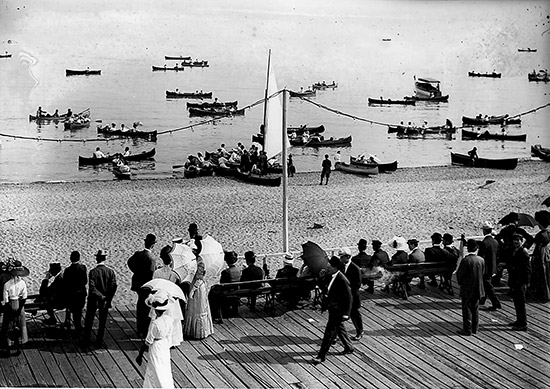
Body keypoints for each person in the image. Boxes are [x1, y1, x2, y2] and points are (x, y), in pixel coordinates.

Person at [312, 256, 354, 364]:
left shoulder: (342, 280)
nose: (327, 268)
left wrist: (346, 314)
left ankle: (321, 356)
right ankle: (349, 347)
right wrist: (321, 278)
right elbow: (324, 288)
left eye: (329, 267)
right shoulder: (330, 276)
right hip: (332, 308)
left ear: (335, 267)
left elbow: (349, 298)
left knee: (329, 333)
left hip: (338, 310)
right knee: (339, 328)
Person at [136, 290, 175, 389]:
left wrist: (140, 355)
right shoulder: (169, 320)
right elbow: (169, 335)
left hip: (156, 346)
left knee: (155, 368)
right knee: (165, 368)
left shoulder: (155, 323)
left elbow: (148, 341)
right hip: (164, 345)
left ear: (155, 310)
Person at [82, 250, 117, 348]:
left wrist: (101, 296)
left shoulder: (93, 272)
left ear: (96, 259)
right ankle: (99, 341)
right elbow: (113, 286)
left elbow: (92, 288)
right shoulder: (110, 272)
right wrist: (107, 298)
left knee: (89, 319)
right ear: (105, 258)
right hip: (105, 300)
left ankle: (86, 340)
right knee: (102, 322)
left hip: (94, 299)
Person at [183, 236, 214, 339]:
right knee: (194, 308)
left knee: (198, 309)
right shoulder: (197, 260)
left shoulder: (200, 262)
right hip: (196, 284)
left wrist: (192, 289)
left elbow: (199, 278)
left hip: (197, 286)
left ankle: (199, 332)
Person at [127, 233, 157, 338]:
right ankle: (144, 329)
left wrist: (136, 272)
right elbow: (152, 273)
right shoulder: (151, 258)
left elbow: (129, 262)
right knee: (147, 307)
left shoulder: (138, 254)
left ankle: (139, 328)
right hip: (147, 285)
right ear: (153, 245)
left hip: (138, 284)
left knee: (140, 305)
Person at [456, 239, 485, 336]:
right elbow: (483, 273)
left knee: (467, 308)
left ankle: (467, 329)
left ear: (468, 248)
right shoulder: (481, 260)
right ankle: (474, 328)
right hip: (478, 287)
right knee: (475, 308)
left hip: (467, 288)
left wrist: (461, 283)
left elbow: (460, 274)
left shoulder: (466, 260)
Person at [1, 259, 29, 356]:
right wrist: (19, 309)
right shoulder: (22, 283)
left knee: (9, 326)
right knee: (20, 326)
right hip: (19, 304)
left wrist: (10, 310)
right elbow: (24, 297)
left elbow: (6, 300)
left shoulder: (7, 284)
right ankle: (19, 348)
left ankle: (8, 349)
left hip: (10, 305)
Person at [507, 234, 531, 331]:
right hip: (515, 280)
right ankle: (519, 320)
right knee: (517, 302)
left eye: (518, 240)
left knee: (520, 303)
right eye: (514, 240)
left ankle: (523, 323)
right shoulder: (515, 250)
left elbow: (528, 269)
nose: (516, 242)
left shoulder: (523, 252)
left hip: (520, 281)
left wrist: (526, 282)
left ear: (522, 241)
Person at [209, 251, 241, 323]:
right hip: (237, 292)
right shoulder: (239, 270)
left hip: (228, 293)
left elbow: (222, 283)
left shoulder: (226, 272)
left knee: (212, 294)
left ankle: (214, 314)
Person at [339, 248, 363, 340]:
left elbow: (357, 284)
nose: (340, 259)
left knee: (355, 314)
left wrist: (347, 287)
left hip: (353, 296)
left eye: (342, 257)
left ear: (348, 257)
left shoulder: (355, 268)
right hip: (343, 295)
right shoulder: (340, 266)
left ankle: (359, 331)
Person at [477, 222, 502, 310]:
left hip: (486, 268)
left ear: (484, 231)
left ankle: (496, 303)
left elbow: (481, 257)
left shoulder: (484, 243)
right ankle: (483, 299)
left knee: (488, 285)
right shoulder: (495, 241)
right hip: (493, 267)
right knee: (486, 284)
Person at [63, 251, 87, 338]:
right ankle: (78, 330)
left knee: (73, 312)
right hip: (81, 294)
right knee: (79, 312)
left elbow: (65, 283)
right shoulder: (83, 268)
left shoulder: (68, 270)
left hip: (71, 294)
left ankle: (76, 330)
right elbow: (85, 281)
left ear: (70, 258)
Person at [531, 210, 550, 302]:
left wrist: (534, 257)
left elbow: (537, 248)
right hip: (546, 252)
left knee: (540, 274)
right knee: (547, 273)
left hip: (541, 254)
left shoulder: (540, 235)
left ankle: (542, 294)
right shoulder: (548, 233)